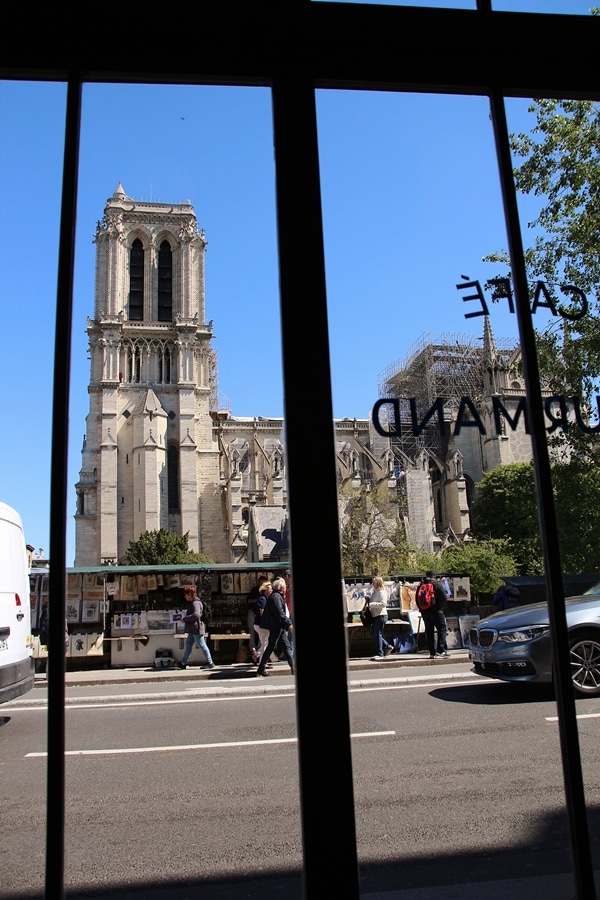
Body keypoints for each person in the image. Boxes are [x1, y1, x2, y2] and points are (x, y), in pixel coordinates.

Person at [256, 576, 294, 677]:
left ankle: (293, 668)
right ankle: (261, 668)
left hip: (278, 626)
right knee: (272, 646)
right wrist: (289, 623)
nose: (286, 587)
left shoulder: (276, 596)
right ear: (281, 588)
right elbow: (280, 613)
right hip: (276, 626)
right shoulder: (276, 597)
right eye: (285, 586)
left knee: (285, 647)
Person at [177, 585, 216, 669]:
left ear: (190, 594)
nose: (185, 597)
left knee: (202, 644)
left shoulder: (196, 603)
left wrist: (185, 619)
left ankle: (210, 662)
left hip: (196, 628)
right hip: (193, 628)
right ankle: (183, 662)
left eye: (186, 595)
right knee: (188, 644)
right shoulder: (195, 602)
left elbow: (196, 615)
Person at [416, 571, 449, 659]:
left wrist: (422, 610)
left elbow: (417, 598)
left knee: (429, 631)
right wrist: (440, 609)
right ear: (434, 576)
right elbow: (444, 597)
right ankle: (440, 650)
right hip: (436, 612)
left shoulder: (421, 585)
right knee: (442, 629)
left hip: (425, 612)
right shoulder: (437, 584)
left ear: (426, 576)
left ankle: (432, 652)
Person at [369, 575, 393, 660]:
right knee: (373, 634)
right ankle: (387, 646)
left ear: (378, 583)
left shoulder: (381, 592)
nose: (373, 584)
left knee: (377, 634)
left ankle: (380, 653)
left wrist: (371, 604)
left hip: (381, 615)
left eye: (374, 582)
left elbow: (383, 604)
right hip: (375, 616)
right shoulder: (374, 592)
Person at [247, 575, 267, 664]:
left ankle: (259, 649)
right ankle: (253, 649)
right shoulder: (255, 590)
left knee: (261, 632)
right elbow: (248, 601)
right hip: (253, 611)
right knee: (251, 630)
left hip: (260, 614)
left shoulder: (266, 592)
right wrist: (257, 600)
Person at [253, 580, 273, 667]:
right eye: (270, 589)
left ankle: (256, 656)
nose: (271, 590)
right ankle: (262, 663)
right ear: (266, 590)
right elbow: (262, 613)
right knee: (265, 644)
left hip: (261, 625)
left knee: (265, 643)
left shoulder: (265, 599)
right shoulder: (263, 599)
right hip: (261, 625)